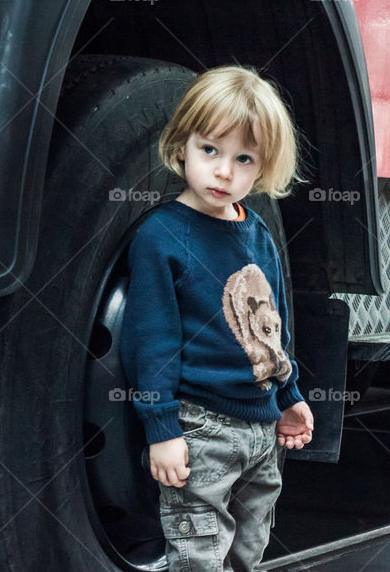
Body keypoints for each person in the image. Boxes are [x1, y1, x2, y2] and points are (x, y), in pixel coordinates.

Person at [120, 65, 314, 571]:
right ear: (182, 145)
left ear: (263, 166)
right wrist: (163, 429)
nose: (224, 172)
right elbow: (152, 342)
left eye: (244, 158)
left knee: (249, 550)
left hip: (262, 428)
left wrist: (288, 396)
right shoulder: (162, 237)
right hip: (201, 429)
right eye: (210, 150)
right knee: (200, 557)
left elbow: (273, 330)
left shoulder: (257, 234)